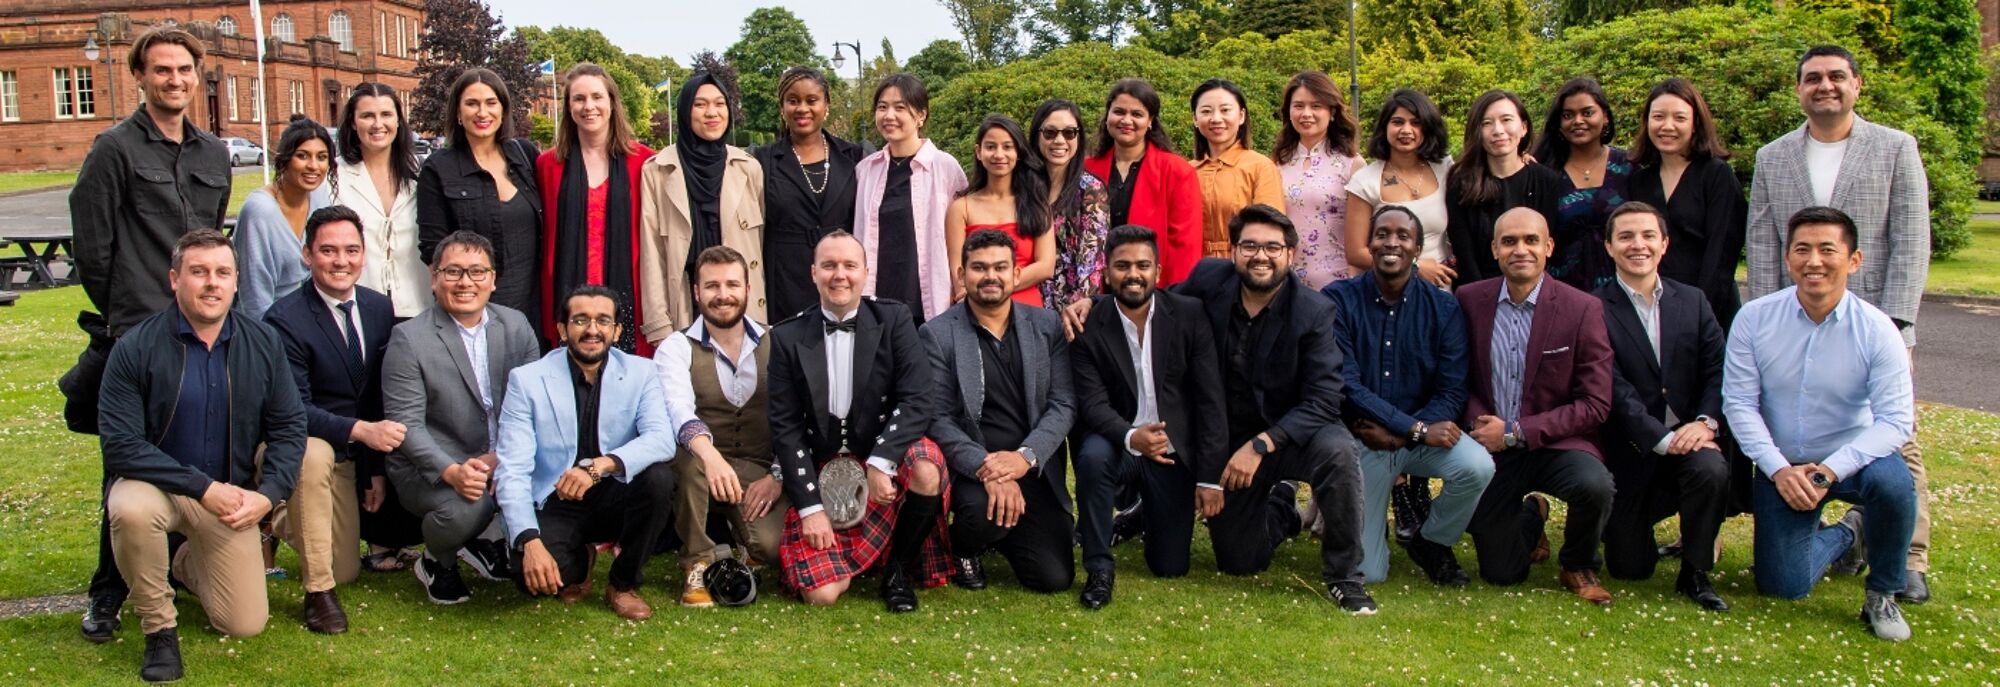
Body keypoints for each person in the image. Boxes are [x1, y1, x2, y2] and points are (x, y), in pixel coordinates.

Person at [63, 26, 232, 644]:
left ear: (197, 75)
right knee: (127, 467)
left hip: (206, 331)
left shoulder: (213, 154)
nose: (175, 80)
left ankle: (183, 570)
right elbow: (93, 248)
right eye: (162, 70)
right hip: (139, 333)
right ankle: (108, 596)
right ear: (140, 76)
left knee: (200, 454)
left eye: (184, 70)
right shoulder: (113, 149)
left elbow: (212, 240)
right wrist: (128, 311)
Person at [1747, 46, 1933, 603]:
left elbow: (1910, 239)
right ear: (1799, 89)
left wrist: (1897, 324)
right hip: (1793, 315)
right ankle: (1842, 532)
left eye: (1835, 77)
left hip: (1875, 318)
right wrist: (1768, 317)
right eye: (1811, 79)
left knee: (1897, 441)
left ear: (1857, 84)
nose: (1823, 86)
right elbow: (1763, 240)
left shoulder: (1895, 148)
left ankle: (1908, 558)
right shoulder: (1774, 156)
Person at [100, 230, 306, 682]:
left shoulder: (263, 343)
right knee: (129, 508)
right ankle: (159, 629)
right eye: (198, 272)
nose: (211, 283)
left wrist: (268, 494)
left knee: (244, 624)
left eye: (222, 273)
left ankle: (183, 564)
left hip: (229, 499)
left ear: (236, 282)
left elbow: (290, 427)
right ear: (175, 279)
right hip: (159, 487)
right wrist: (202, 487)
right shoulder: (135, 346)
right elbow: (120, 444)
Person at [1724, 206, 1918, 641]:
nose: (1814, 261)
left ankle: (1882, 592)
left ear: (1854, 260)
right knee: (1783, 587)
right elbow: (1738, 404)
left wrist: (1827, 471)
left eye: (1827, 249)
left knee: (1894, 485)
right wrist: (1778, 468)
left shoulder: (1877, 329)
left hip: (1853, 460)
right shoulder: (1754, 319)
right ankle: (1852, 532)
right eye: (1802, 249)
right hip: (1784, 464)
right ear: (1787, 257)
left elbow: (1895, 421)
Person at [1173, 204, 1373, 613]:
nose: (1260, 256)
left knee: (1339, 452)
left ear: (1290, 255)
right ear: (1233, 252)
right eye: (1249, 246)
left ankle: (1344, 577)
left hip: (1294, 432)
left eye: (1272, 247)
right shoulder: (1208, 281)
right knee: (1240, 562)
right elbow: (1160, 310)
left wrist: (1262, 445)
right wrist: (1092, 306)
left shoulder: (1314, 311)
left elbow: (1324, 399)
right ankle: (1283, 506)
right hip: (1230, 435)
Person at [766, 231, 950, 611]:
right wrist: (811, 509)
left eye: (850, 265)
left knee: (926, 468)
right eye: (829, 266)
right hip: (825, 469)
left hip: (882, 450)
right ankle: (862, 555)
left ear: (866, 272)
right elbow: (785, 428)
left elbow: (919, 398)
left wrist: (882, 460)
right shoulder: (786, 336)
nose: (840, 275)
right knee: (821, 595)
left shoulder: (894, 318)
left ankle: (897, 569)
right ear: (813, 273)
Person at [1323, 205, 1492, 587]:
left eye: (1403, 236)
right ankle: (1370, 526)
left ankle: (1431, 540)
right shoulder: (1339, 300)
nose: (1391, 242)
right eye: (1382, 234)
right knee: (1368, 573)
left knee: (1477, 466)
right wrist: (1410, 428)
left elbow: (1452, 390)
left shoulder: (1444, 307)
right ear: (1369, 243)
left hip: (1417, 436)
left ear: (1418, 248)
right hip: (1363, 438)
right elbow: (1347, 385)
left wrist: (1408, 432)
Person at [1457, 208, 1616, 604]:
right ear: (1494, 249)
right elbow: (1458, 376)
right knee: (1502, 574)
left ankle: (1578, 561)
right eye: (1509, 241)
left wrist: (1518, 432)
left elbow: (1595, 403)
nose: (1520, 250)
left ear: (1548, 247)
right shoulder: (1469, 300)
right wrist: (1481, 424)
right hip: (1492, 448)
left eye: (1531, 240)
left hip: (1556, 444)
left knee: (1595, 485)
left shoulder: (1582, 309)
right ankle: (1533, 516)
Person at [494, 285, 679, 620]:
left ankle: (623, 583)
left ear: (617, 331)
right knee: (530, 577)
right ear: (562, 330)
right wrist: (530, 542)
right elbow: (512, 468)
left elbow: (662, 439)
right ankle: (580, 560)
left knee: (659, 478)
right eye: (580, 320)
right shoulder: (527, 380)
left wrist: (600, 466)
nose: (592, 329)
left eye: (602, 321)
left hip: (615, 491)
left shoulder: (642, 372)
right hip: (558, 497)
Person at [381, 231, 542, 604]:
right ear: (434, 278)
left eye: (477, 271)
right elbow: (406, 426)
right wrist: (453, 471)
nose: (465, 282)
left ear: (493, 278)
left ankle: (484, 541)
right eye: (453, 272)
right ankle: (438, 560)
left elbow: (535, 408)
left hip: (501, 455)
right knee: (465, 509)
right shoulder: (408, 338)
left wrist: (499, 457)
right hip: (433, 465)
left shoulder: (516, 325)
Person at [261, 206, 401, 634]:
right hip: (298, 446)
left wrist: (373, 470)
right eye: (328, 250)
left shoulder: (379, 308)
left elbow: (376, 395)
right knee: (313, 452)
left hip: (351, 455)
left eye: (351, 250)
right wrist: (361, 432)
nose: (341, 261)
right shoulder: (283, 320)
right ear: (307, 255)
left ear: (364, 254)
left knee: (345, 568)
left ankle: (273, 522)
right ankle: (318, 594)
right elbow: (293, 410)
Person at [1069, 225, 1225, 609]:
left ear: (1158, 269)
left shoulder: (1189, 315)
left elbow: (1209, 400)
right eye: (1122, 266)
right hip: (1116, 441)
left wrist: (1209, 479)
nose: (1133, 274)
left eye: (1143, 265)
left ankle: (1140, 513)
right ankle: (1099, 567)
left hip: (1171, 451)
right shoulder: (1087, 322)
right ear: (1106, 273)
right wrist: (1130, 435)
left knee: (1170, 566)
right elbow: (1091, 403)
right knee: (1091, 457)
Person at [1591, 202, 1732, 612]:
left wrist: (1707, 423)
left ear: (1665, 244)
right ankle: (1628, 531)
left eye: (1649, 236)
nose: (1639, 245)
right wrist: (1662, 439)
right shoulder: (1592, 308)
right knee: (1630, 568)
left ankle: (1696, 570)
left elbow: (1718, 370)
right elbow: (1610, 385)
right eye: (1626, 237)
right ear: (1609, 246)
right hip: (1633, 452)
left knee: (1711, 468)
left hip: (1692, 440)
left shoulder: (1694, 301)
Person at [922, 230, 1077, 596]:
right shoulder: (937, 334)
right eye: (979, 268)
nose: (990, 276)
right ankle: (964, 548)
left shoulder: (1046, 325)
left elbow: (1064, 403)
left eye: (999, 267)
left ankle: (1007, 533)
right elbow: (938, 418)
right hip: (976, 471)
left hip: (1031, 467)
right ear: (962, 275)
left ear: (1016, 274)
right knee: (981, 518)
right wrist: (987, 467)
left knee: (1053, 579)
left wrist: (1024, 458)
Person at [655, 246, 789, 607]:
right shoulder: (675, 346)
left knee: (774, 549)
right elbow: (677, 409)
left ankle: (742, 549)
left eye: (732, 284)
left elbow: (795, 417)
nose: (723, 295)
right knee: (689, 458)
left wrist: (777, 476)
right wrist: (709, 455)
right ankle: (696, 562)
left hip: (755, 466)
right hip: (697, 462)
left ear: (748, 288)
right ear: (696, 292)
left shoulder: (777, 340)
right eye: (712, 286)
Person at [537, 63, 658, 354]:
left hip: (629, 293)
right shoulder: (548, 165)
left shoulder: (644, 162)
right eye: (578, 99)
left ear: (612, 102)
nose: (588, 106)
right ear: (568, 107)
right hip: (567, 292)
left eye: (596, 97)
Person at [640, 71, 768, 339]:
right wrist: (659, 326)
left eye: (720, 104)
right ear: (686, 111)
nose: (712, 113)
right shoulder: (657, 170)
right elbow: (652, 253)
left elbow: (760, 243)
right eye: (700, 104)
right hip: (686, 306)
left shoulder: (748, 168)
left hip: (739, 307)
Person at [417, 68, 543, 318]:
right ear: (458, 112)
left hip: (533, 305)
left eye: (491, 103)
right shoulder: (438, 168)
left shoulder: (525, 155)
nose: (482, 112)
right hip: (475, 311)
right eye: (472, 103)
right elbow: (433, 247)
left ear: (503, 109)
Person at [1628, 78, 1747, 328]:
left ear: (1695, 124)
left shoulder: (1717, 175)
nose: (1667, 126)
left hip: (1709, 311)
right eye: (1658, 116)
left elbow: (1722, 255)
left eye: (1679, 118)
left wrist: (1698, 315)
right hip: (1651, 309)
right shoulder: (1640, 180)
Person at [755, 67, 869, 321]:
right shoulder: (763, 161)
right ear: (782, 107)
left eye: (811, 100)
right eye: (793, 101)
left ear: (826, 105)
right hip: (785, 281)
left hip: (840, 279)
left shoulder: (853, 156)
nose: (802, 108)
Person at [854, 73, 966, 324]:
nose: (888, 115)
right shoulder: (866, 170)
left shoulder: (944, 167)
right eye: (882, 107)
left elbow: (962, 233)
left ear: (921, 115)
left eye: (900, 108)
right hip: (876, 302)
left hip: (929, 304)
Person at [1083, 78, 1203, 285]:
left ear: (1150, 122)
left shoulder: (1177, 171)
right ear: (1107, 116)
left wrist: (1173, 298)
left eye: (1137, 114)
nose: (1126, 120)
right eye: (1119, 112)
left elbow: (1185, 247)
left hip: (1153, 290)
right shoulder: (1085, 170)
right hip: (1096, 291)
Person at [1446, 90, 1563, 285]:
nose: (1498, 130)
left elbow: (1545, 249)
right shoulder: (1461, 183)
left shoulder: (1545, 180)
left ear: (1524, 127)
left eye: (1506, 120)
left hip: (1533, 291)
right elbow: (1464, 254)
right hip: (1477, 292)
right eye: (1486, 123)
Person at [335, 82, 428, 320]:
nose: (378, 124)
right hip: (357, 308)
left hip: (416, 305)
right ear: (354, 123)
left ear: (398, 121)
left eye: (386, 114)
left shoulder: (422, 173)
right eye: (367, 116)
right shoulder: (334, 175)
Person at [1343, 89, 1453, 288]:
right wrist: (1415, 268)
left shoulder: (1444, 168)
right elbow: (1355, 253)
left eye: (1416, 123)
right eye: (1398, 122)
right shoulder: (1365, 181)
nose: (1406, 130)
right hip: (1387, 287)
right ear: (1385, 127)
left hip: (1440, 289)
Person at [945, 115, 1057, 306]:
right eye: (990, 147)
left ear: (1018, 153)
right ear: (978, 152)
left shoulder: (1036, 204)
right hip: (976, 307)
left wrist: (995, 288)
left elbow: (1046, 266)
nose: (999, 154)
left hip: (1025, 308)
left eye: (1007, 147)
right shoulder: (961, 208)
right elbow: (958, 272)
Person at [1533, 77, 1631, 292]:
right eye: (1568, 115)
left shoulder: (1629, 167)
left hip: (1624, 291)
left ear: (1605, 117)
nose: (1577, 121)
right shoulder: (1544, 173)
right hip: (1562, 292)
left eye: (1587, 113)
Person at [1273, 71, 1364, 290]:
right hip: (1286, 283)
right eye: (1299, 106)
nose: (1306, 114)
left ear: (1332, 112)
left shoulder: (1352, 164)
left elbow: (1362, 235)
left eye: (1316, 106)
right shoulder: (1276, 163)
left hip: (1339, 283)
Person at [235, 117, 335, 318]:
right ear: (285, 159)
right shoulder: (260, 211)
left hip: (309, 318)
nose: (313, 166)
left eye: (322, 157)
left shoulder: (319, 197)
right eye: (303, 156)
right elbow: (254, 295)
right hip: (268, 324)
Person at [1190, 79, 1287, 259]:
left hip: (1242, 268)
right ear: (1195, 119)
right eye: (1206, 111)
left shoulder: (1260, 167)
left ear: (1241, 116)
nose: (1216, 118)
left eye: (1225, 110)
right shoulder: (1186, 171)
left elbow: (1268, 230)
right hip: (1192, 271)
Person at [1030, 98, 1111, 311]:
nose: (1059, 140)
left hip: (1072, 312)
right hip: (1024, 304)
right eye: (1050, 133)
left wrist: (1073, 313)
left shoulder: (1091, 189)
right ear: (1036, 135)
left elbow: (1092, 263)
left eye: (1069, 133)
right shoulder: (1023, 186)